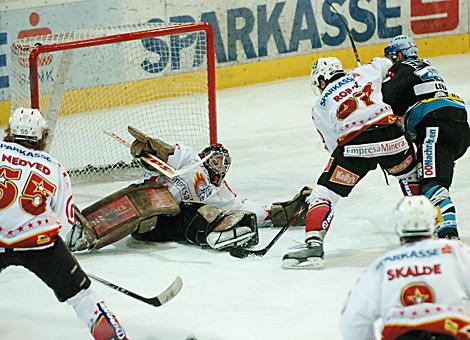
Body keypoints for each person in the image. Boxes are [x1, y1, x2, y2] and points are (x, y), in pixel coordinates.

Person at [67, 126, 308, 252]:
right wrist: (149, 148)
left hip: (160, 227)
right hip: (143, 199)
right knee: (150, 200)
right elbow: (166, 152)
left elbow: (247, 208)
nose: (218, 169)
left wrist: (283, 211)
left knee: (198, 213)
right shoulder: (189, 159)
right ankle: (87, 228)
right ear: (205, 157)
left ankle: (213, 235)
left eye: (223, 166)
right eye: (215, 162)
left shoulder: (220, 192)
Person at [0, 107, 128, 340]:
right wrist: (62, 259)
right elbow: (66, 222)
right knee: (83, 297)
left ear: (9, 130)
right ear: (42, 136)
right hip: (38, 244)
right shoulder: (54, 167)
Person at [282, 57, 417, 269]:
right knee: (411, 176)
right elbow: (389, 64)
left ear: (321, 79)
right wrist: (370, 74)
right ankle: (430, 228)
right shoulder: (365, 72)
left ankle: (313, 245)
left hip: (356, 148)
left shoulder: (319, 105)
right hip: (393, 139)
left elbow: (332, 145)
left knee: (323, 195)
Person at [340, 195, 470, 340]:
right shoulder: (455, 251)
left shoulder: (382, 265)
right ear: (432, 221)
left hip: (400, 333)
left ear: (398, 225)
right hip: (451, 330)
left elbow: (354, 317)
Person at [382, 34, 470, 239]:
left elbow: (387, 97)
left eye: (391, 57)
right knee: (435, 179)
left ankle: (448, 232)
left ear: (400, 54)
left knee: (432, 183)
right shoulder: (427, 67)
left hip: (435, 125)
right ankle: (434, 218)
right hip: (457, 124)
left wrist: (375, 89)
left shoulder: (403, 67)